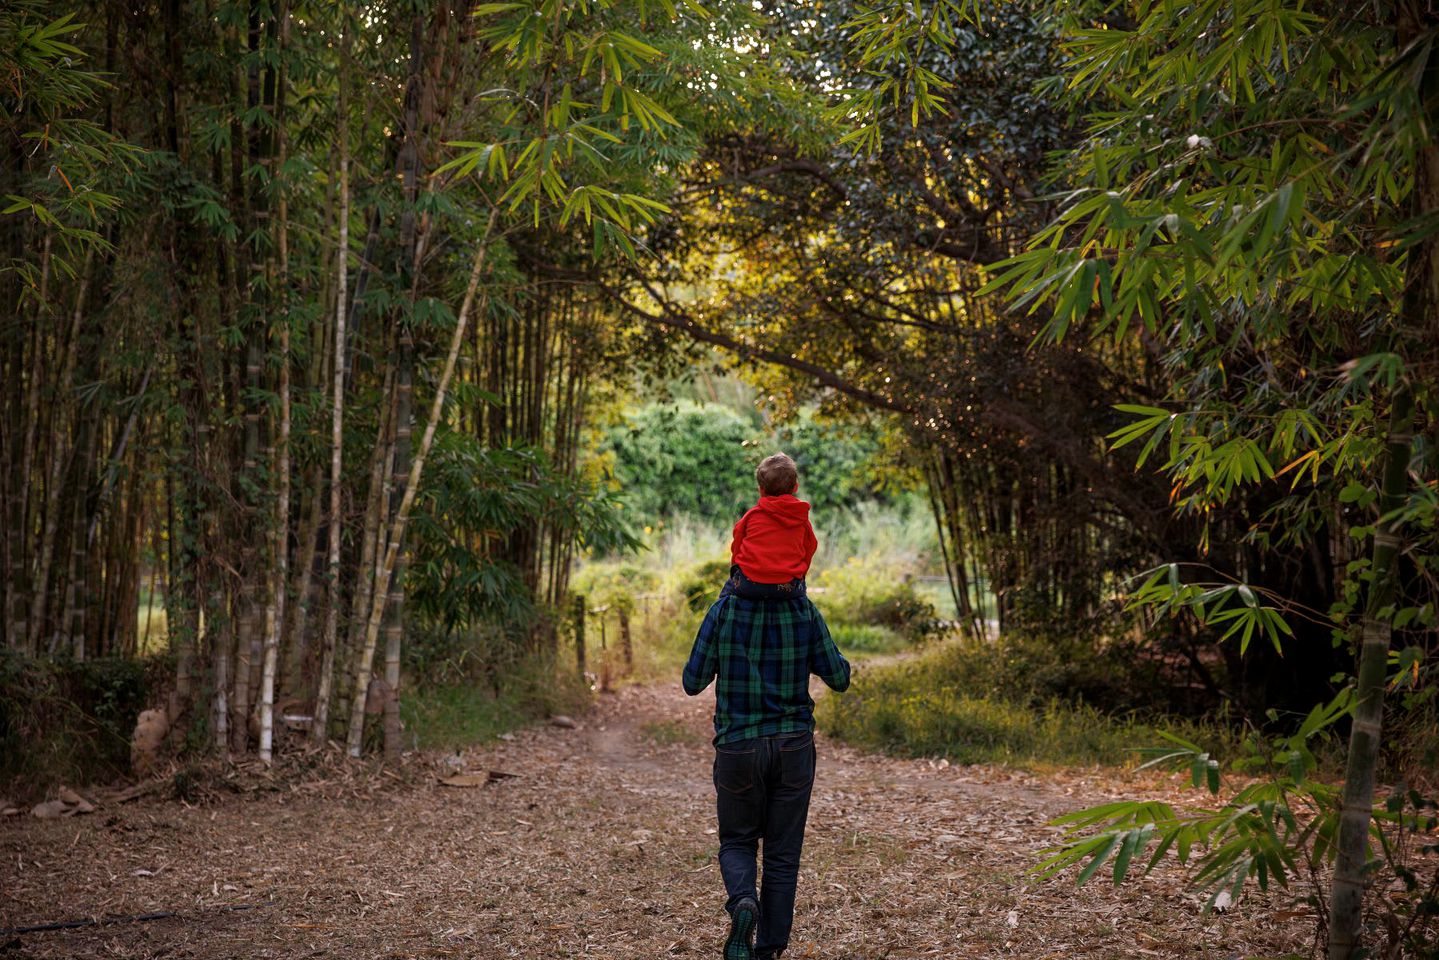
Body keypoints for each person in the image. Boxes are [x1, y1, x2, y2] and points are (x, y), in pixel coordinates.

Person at [683, 453, 851, 960]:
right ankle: (768, 950)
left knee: (737, 842)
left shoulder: (725, 609)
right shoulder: (804, 611)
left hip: (737, 746)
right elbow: (839, 678)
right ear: (795, 488)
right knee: (782, 856)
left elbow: (693, 682)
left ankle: (742, 905)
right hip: (794, 745)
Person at [719, 453, 818, 602]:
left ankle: (720, 620)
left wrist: (737, 572)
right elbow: (810, 547)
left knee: (724, 599)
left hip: (749, 584)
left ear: (760, 490)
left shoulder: (752, 515)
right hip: (788, 588)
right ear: (795, 487)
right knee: (802, 596)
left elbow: (737, 545)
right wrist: (799, 574)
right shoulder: (801, 518)